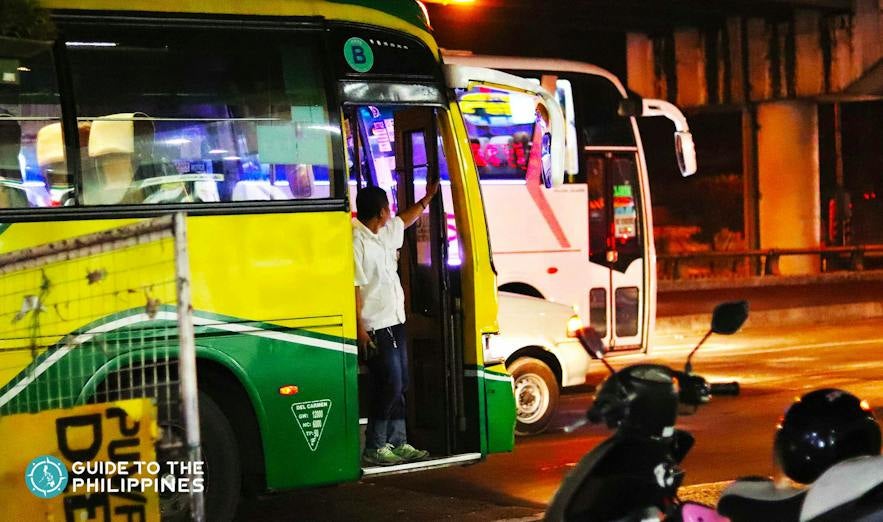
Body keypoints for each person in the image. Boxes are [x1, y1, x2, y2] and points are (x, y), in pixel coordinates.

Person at [353, 179, 439, 466]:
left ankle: (398, 441)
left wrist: (426, 200)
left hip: (396, 320)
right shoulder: (356, 242)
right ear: (380, 212)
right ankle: (375, 445)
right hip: (375, 325)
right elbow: (353, 289)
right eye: (387, 208)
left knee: (400, 382)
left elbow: (405, 219)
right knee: (390, 383)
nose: (391, 212)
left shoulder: (384, 233)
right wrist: (360, 331)